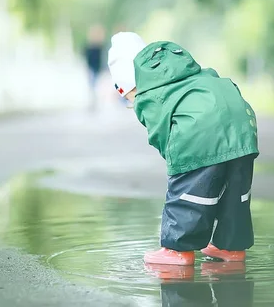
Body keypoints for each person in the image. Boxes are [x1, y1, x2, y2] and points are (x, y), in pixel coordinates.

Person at [107, 32, 259, 266]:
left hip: (201, 129)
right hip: (243, 126)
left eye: (125, 94)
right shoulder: (185, 74)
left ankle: (177, 251)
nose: (129, 101)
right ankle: (230, 247)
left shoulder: (149, 92)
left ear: (128, 83)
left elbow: (162, 135)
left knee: (189, 191)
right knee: (235, 193)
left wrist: (179, 164)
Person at [83, 24, 106, 108]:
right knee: (93, 85)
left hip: (96, 68)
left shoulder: (99, 47)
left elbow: (101, 58)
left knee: (94, 85)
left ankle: (95, 101)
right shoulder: (90, 46)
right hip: (92, 68)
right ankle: (93, 101)